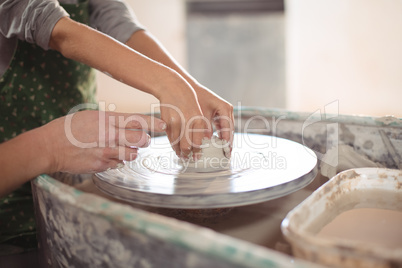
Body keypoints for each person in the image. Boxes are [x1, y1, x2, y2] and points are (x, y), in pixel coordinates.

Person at [0, 0, 234, 254]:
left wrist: (191, 89)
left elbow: (113, 18)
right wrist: (52, 148)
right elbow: (53, 27)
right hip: (11, 206)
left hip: (71, 177)